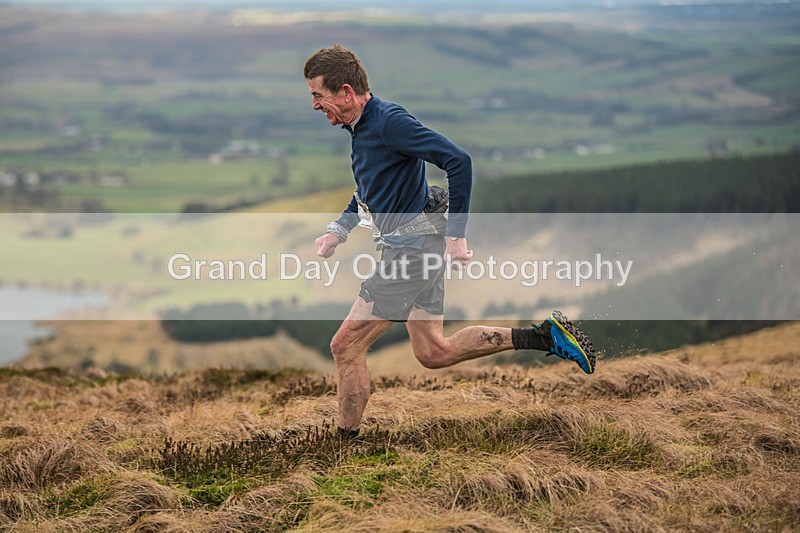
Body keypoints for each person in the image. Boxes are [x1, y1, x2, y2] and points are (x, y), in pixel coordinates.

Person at [304, 44, 596, 439]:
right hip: (413, 248)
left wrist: (457, 236)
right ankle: (544, 336)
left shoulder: (389, 122)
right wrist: (338, 231)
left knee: (345, 346)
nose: (315, 106)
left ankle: (342, 446)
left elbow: (459, 160)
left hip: (412, 254)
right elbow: (368, 191)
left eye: (318, 96)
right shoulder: (361, 130)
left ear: (346, 92)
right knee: (433, 352)